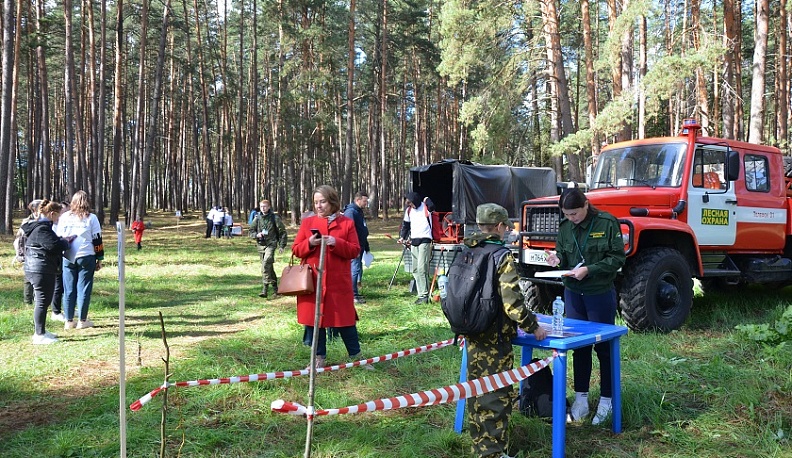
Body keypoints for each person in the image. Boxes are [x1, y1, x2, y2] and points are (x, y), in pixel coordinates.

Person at [464, 203, 547, 458]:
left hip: (472, 333)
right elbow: (513, 305)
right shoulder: (501, 256)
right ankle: (493, 454)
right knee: (496, 397)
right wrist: (534, 327)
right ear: (499, 226)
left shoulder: (467, 249)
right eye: (506, 227)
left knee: (477, 394)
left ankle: (480, 448)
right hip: (494, 337)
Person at [545, 187, 626, 425]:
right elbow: (561, 252)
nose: (571, 218)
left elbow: (617, 258)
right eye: (567, 214)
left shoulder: (606, 223)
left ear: (586, 205)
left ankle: (607, 400)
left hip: (598, 293)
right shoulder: (565, 228)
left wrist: (590, 269)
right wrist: (556, 259)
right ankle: (581, 400)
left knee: (603, 349)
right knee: (579, 348)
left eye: (575, 214)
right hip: (573, 294)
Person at [292, 185, 370, 369]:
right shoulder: (308, 223)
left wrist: (337, 242)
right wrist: (309, 243)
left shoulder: (346, 223)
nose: (318, 206)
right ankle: (318, 358)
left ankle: (357, 357)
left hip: (337, 282)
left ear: (332, 202)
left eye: (322, 202)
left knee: (345, 320)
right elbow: (296, 250)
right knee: (315, 321)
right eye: (316, 202)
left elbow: (354, 250)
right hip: (313, 282)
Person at [22, 200, 74, 344]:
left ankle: (42, 330)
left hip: (40, 267)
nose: (59, 219)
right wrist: (65, 242)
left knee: (43, 301)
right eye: (58, 216)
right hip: (40, 268)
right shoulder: (42, 229)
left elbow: (52, 243)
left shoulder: (42, 227)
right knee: (42, 301)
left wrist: (61, 240)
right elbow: (54, 246)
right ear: (52, 214)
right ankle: (39, 335)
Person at [56, 190, 105, 330]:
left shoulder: (64, 217)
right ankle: (82, 320)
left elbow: (58, 236)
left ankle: (69, 320)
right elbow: (97, 240)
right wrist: (99, 258)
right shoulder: (92, 218)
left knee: (69, 288)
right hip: (86, 255)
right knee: (84, 288)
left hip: (68, 255)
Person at [398, 192, 435, 304]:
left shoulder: (426, 207)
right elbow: (406, 226)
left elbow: (433, 206)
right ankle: (421, 293)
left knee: (421, 268)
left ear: (416, 201)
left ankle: (424, 296)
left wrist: (427, 198)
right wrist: (402, 237)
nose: (411, 206)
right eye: (409, 204)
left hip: (425, 240)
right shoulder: (409, 211)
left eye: (412, 203)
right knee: (415, 269)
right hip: (414, 241)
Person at [250, 199, 288, 298]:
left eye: (265, 206)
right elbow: (251, 231)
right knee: (268, 267)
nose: (263, 208)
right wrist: (256, 235)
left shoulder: (274, 218)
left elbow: (282, 232)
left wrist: (282, 245)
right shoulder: (257, 218)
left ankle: (265, 288)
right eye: (261, 206)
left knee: (266, 263)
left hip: (271, 244)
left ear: (269, 207)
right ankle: (276, 288)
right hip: (261, 245)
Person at [343, 191, 370, 304]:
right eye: (364, 201)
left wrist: (366, 245)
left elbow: (362, 228)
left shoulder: (359, 212)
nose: (366, 203)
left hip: (361, 244)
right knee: (354, 269)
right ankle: (352, 295)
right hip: (354, 246)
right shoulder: (350, 212)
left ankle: (355, 292)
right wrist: (353, 247)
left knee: (357, 269)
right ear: (357, 200)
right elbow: (349, 230)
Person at [15, 199, 43, 305]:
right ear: (35, 209)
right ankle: (27, 300)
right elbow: (19, 239)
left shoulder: (45, 220)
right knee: (28, 278)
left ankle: (39, 300)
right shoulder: (26, 221)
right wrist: (20, 254)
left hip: (41, 252)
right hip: (28, 252)